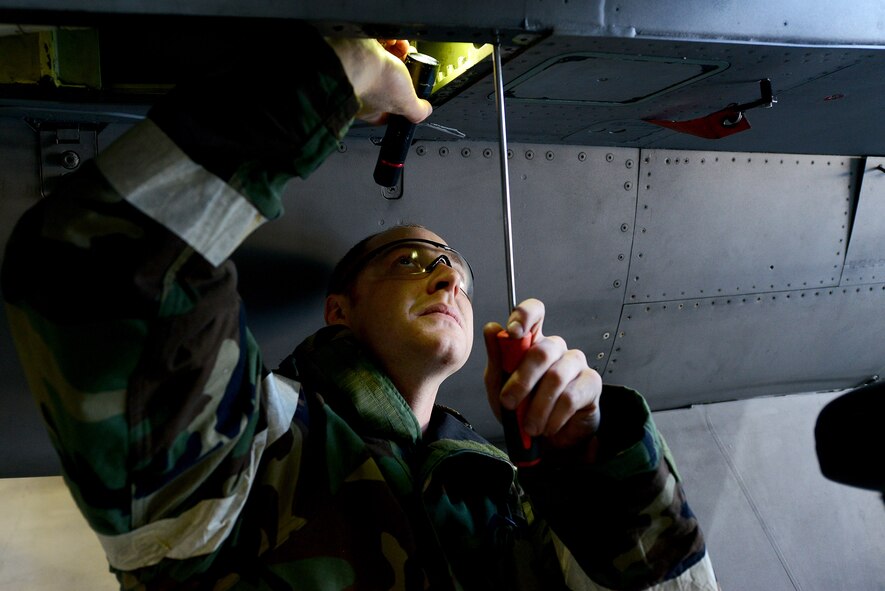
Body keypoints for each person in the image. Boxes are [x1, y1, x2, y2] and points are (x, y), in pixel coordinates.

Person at [1, 21, 719, 590]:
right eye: (411, 261)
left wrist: (591, 466)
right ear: (338, 309)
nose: (446, 281)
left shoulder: (500, 501)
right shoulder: (262, 449)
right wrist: (331, 80)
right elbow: (96, 268)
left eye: (455, 272)